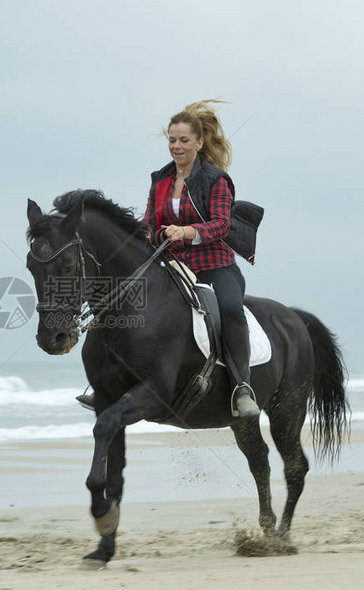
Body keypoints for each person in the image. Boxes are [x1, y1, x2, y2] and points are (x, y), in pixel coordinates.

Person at [77, 100, 259, 419]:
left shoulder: (216, 179)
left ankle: (242, 386)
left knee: (231, 307)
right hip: (172, 264)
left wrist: (187, 230)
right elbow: (151, 221)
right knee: (117, 300)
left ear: (199, 142)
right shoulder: (159, 180)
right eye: (172, 140)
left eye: (183, 140)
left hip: (214, 264)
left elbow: (221, 224)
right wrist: (144, 235)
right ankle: (106, 382)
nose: (176, 146)